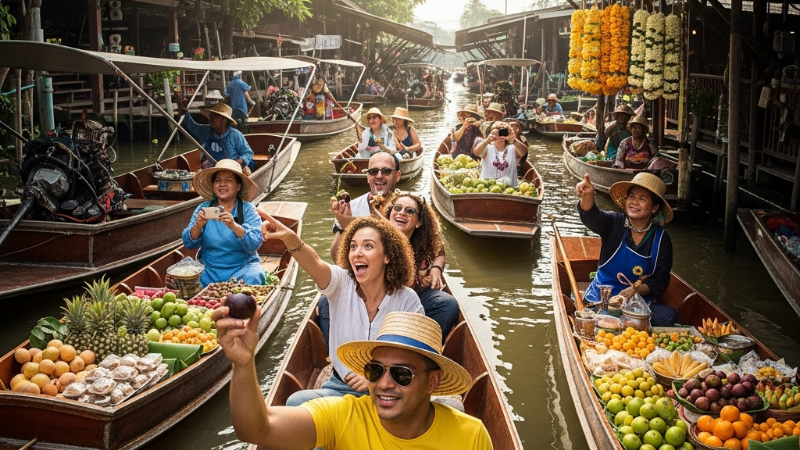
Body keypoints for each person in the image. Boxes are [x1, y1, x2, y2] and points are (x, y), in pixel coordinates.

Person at [215, 309, 491, 449]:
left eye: (402, 374)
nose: (384, 384)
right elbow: (257, 430)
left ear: (433, 383)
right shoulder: (343, 415)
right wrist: (243, 364)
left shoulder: (470, 435)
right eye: (375, 370)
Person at [259, 213, 423, 405]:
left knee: (451, 406)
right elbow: (314, 262)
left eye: (368, 246)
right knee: (296, 402)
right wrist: (289, 237)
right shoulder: (341, 282)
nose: (357, 253)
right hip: (342, 388)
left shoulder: (407, 300)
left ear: (387, 256)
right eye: (353, 246)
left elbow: (414, 356)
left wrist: (376, 378)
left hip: (390, 388)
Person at [575, 172, 678, 327]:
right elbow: (592, 217)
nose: (634, 202)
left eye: (642, 199)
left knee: (669, 316)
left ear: (654, 208)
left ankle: (623, 323)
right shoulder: (614, 223)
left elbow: (660, 280)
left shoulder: (662, 240)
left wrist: (636, 290)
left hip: (637, 304)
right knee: (601, 319)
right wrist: (588, 195)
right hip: (603, 299)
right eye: (632, 196)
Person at [382, 192, 459, 340]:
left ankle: (423, 349)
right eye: (397, 208)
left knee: (447, 304)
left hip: (411, 301)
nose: (402, 213)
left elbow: (440, 252)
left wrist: (436, 269)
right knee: (326, 301)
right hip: (379, 300)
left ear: (418, 222)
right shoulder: (375, 237)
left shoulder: (423, 243)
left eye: (409, 211)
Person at [182, 159, 264, 287]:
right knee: (186, 281)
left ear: (238, 186)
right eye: (218, 181)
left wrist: (234, 226)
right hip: (209, 269)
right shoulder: (203, 208)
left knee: (254, 277)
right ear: (213, 185)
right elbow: (188, 243)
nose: (222, 184)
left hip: (241, 268)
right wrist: (198, 226)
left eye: (228, 181)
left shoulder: (247, 209)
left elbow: (254, 244)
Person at [180, 102, 255, 174]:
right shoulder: (208, 131)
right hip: (214, 169)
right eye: (211, 116)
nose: (211, 119)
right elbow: (193, 127)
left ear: (224, 120)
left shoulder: (235, 135)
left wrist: (236, 163)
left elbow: (248, 153)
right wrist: (185, 114)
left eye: (215, 116)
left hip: (232, 170)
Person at [474, 121, 527, 188]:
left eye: (503, 132)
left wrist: (513, 140)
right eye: (497, 132)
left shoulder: (513, 148)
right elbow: (476, 152)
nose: (500, 134)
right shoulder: (488, 148)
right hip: (487, 188)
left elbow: (524, 152)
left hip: (509, 190)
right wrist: (487, 140)